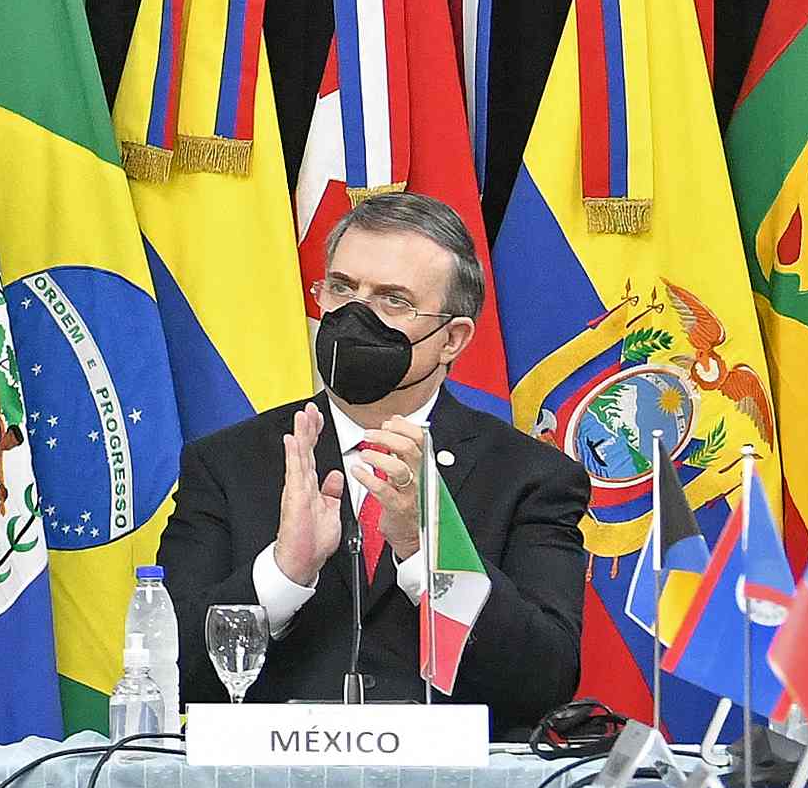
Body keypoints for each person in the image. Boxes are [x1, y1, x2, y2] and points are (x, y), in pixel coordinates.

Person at [148, 190, 591, 729]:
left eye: (393, 301)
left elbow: (542, 682)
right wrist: (284, 574)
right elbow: (165, 675)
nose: (355, 317)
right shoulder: (228, 463)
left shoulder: (529, 477)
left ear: (452, 338)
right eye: (341, 289)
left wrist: (423, 549)